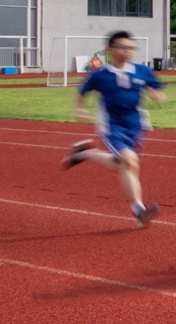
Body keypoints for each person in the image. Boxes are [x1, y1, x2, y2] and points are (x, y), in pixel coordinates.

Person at [61, 30, 167, 227]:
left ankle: (86, 153)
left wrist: (156, 94)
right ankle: (139, 210)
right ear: (110, 50)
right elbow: (83, 90)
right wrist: (79, 108)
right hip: (111, 126)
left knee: (124, 165)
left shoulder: (141, 70)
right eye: (123, 47)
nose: (128, 51)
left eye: (131, 48)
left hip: (136, 126)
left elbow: (153, 86)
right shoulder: (101, 75)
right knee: (129, 161)